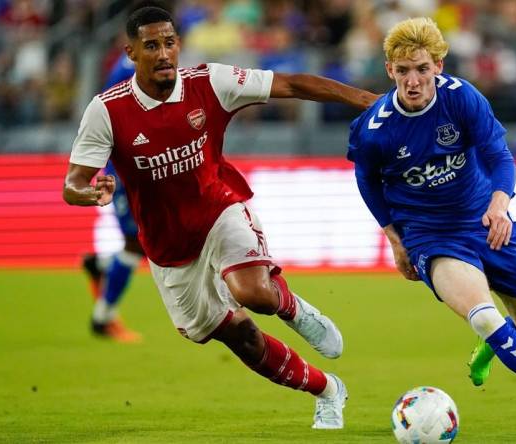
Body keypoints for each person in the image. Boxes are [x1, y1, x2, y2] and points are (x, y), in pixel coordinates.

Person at [63, 6, 379, 429]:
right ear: (131, 52)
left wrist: (367, 100)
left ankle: (293, 309)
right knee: (242, 337)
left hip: (220, 209)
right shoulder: (106, 111)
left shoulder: (210, 82)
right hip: (169, 247)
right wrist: (90, 192)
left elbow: (291, 83)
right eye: (151, 45)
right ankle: (326, 390)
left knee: (254, 294)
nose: (163, 53)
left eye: (170, 42)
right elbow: (73, 182)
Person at [347, 17, 516, 436]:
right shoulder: (374, 130)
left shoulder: (462, 99)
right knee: (487, 318)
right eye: (403, 71)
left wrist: (500, 202)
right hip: (430, 235)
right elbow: (366, 181)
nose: (412, 81)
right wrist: (394, 239)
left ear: (438, 64)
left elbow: (499, 156)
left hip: (484, 218)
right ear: (389, 71)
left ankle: (490, 343)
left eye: (421, 68)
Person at [81, 50, 142, 343]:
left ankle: (102, 265)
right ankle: (102, 318)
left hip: (140, 168)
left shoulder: (131, 62)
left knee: (144, 246)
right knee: (135, 246)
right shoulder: (133, 69)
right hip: (123, 170)